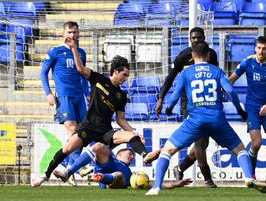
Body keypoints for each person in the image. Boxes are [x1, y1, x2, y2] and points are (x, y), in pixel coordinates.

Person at [31, 37, 159, 187]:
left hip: (105, 131)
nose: (126, 79)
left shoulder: (121, 96)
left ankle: (145, 155)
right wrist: (73, 48)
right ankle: (45, 176)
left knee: (132, 136)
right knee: (66, 149)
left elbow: (121, 120)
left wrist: (135, 133)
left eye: (127, 76)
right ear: (116, 72)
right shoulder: (98, 79)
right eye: (124, 75)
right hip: (88, 126)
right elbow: (80, 69)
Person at [146, 42, 266, 195]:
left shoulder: (186, 72)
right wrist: (240, 110)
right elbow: (231, 91)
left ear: (192, 55)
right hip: (217, 119)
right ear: (209, 55)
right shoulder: (217, 71)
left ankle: (157, 187)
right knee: (240, 150)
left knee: (167, 151)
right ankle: (249, 177)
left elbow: (175, 95)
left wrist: (169, 109)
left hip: (195, 120)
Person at [155, 27, 218, 187]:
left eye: (198, 37)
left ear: (204, 37)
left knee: (203, 144)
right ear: (190, 40)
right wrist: (161, 98)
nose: (196, 40)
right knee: (200, 140)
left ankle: (180, 168)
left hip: (207, 103)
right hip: (188, 104)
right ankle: (208, 180)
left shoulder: (211, 55)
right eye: (193, 38)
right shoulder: (183, 56)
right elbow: (170, 78)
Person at [228, 36, 266, 189]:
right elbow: (231, 79)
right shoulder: (248, 61)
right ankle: (251, 174)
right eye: (259, 48)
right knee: (257, 143)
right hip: (252, 107)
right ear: (255, 48)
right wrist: (222, 86)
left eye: (264, 48)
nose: (261, 51)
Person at [40, 21, 90, 185]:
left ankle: (67, 166)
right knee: (72, 129)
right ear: (63, 34)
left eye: (75, 32)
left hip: (79, 97)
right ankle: (79, 167)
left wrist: (87, 94)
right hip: (64, 96)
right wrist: (48, 93)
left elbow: (83, 76)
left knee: (81, 133)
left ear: (79, 34)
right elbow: (43, 73)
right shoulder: (55, 52)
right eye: (69, 32)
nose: (72, 35)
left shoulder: (81, 53)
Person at [53, 143, 191, 189]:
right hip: (107, 166)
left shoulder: (131, 175)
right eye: (128, 154)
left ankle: (100, 177)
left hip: (114, 180)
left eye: (132, 156)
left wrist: (175, 183)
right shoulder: (113, 158)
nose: (132, 156)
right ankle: (71, 171)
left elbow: (152, 183)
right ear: (119, 155)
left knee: (118, 175)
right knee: (98, 146)